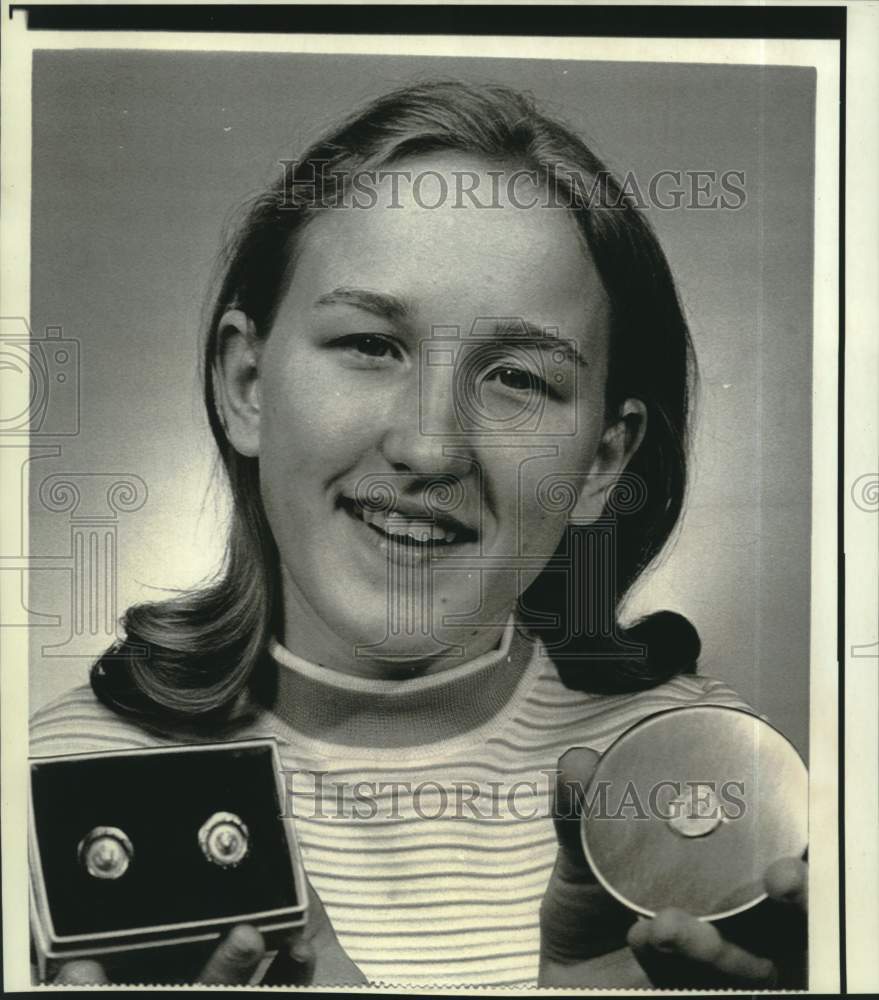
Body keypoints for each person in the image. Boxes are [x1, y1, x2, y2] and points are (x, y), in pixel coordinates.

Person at [29, 80, 807, 988]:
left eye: (517, 377)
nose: (429, 445)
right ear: (246, 383)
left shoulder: (718, 795)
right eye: (369, 345)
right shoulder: (49, 783)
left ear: (602, 460)